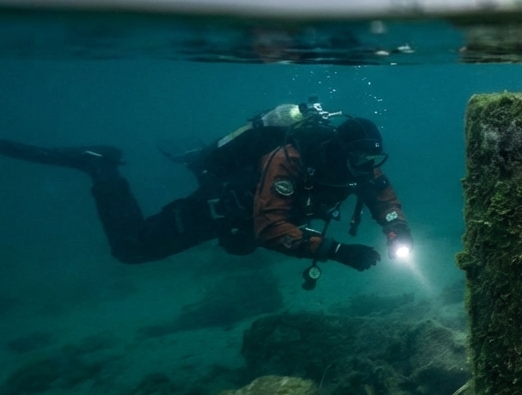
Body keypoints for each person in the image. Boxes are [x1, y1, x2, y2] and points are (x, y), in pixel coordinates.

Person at [0, 100, 414, 285]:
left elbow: (387, 204)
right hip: (225, 208)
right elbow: (270, 226)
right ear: (342, 152)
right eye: (362, 161)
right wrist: (338, 252)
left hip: (249, 226)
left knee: (240, 246)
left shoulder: (361, 167)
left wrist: (399, 237)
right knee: (131, 247)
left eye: (374, 162)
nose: (370, 171)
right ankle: (101, 165)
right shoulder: (288, 158)